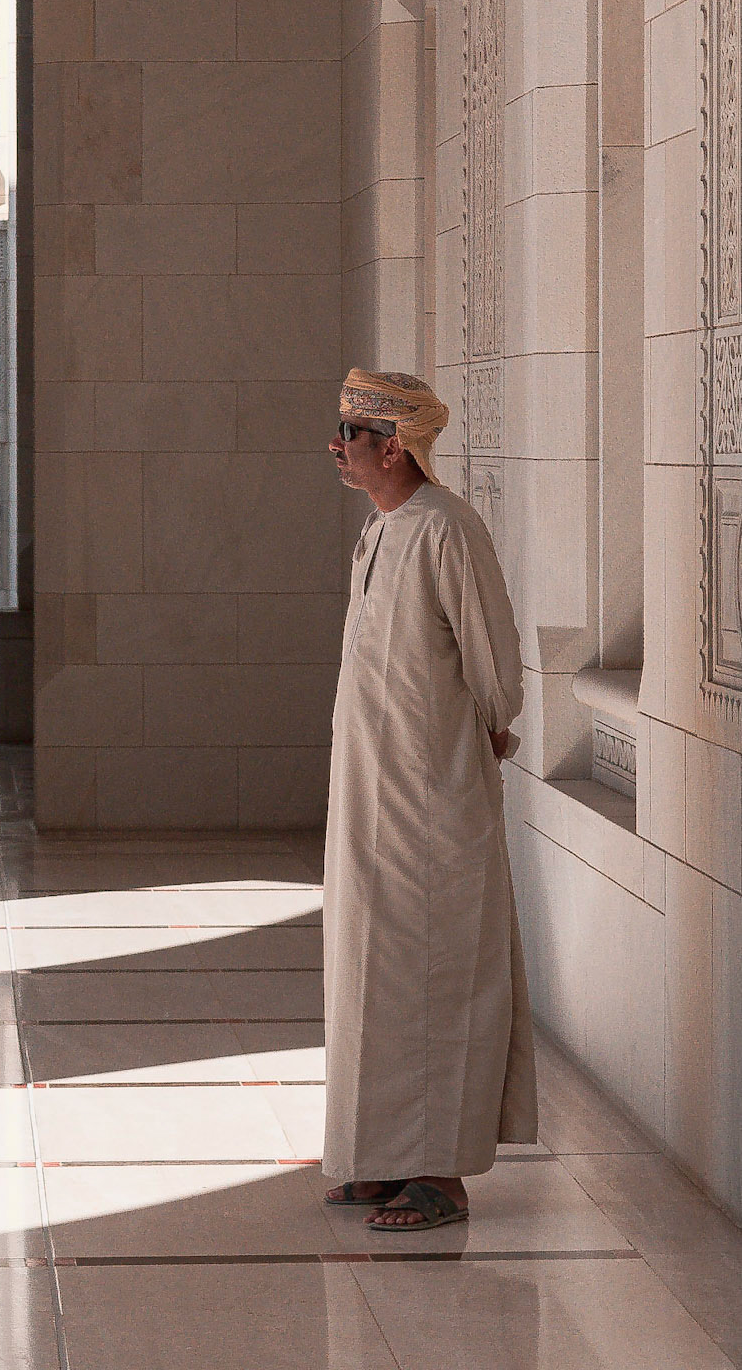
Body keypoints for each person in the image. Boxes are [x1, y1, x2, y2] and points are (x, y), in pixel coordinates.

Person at [321, 368, 537, 1231]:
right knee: (372, 970)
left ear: (394, 446)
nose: (337, 448)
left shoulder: (446, 527)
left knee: (437, 970)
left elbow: (493, 662)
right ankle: (380, 1155)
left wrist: (486, 731)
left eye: (351, 434)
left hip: (432, 789)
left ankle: (439, 1173)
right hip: (369, 788)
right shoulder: (380, 531)